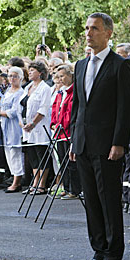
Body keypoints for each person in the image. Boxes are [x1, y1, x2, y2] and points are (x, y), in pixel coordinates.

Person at [70, 13, 130, 260]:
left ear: (108, 33)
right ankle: (98, 253)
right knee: (92, 203)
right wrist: (75, 140)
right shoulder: (80, 65)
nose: (88, 33)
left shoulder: (120, 66)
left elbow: (126, 107)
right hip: (84, 145)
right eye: (86, 28)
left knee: (109, 203)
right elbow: (78, 107)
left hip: (108, 146)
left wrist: (119, 142)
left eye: (94, 28)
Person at [21, 61, 52, 194]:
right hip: (27, 128)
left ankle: (42, 184)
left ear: (40, 73)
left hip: (39, 127)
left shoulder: (45, 88)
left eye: (33, 70)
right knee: (32, 155)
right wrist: (22, 124)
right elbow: (21, 105)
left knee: (41, 154)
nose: (30, 72)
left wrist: (33, 123)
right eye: (30, 70)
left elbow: (43, 108)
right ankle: (35, 181)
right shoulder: (27, 87)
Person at [50, 64, 80, 199]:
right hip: (59, 132)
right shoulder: (60, 92)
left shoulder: (73, 92)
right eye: (58, 76)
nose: (60, 79)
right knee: (62, 160)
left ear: (70, 75)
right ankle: (66, 187)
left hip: (67, 132)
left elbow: (70, 112)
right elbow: (55, 109)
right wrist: (53, 124)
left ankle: (74, 189)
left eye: (62, 76)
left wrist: (62, 124)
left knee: (70, 162)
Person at [0, 66, 25, 192]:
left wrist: (1, 113)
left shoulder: (21, 92)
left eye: (15, 76)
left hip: (14, 125)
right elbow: (1, 104)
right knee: (8, 152)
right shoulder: (8, 91)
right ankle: (14, 177)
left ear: (20, 78)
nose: (12, 78)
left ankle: (17, 181)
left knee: (15, 152)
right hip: (5, 125)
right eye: (10, 76)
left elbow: (14, 111)